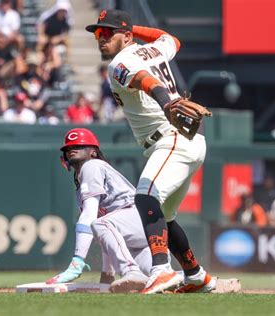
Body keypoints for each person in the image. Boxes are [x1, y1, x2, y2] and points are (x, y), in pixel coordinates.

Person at [85, 9, 215, 294]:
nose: (101, 38)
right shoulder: (154, 49)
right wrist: (131, 28)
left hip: (171, 139)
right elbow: (171, 40)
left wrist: (166, 103)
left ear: (127, 36)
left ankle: (161, 270)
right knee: (164, 217)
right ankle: (195, 274)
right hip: (191, 141)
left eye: (108, 32)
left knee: (144, 197)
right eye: (98, 33)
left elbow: (146, 79)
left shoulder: (120, 61)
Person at [46, 128, 152, 293]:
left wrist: (77, 262)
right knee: (157, 279)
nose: (72, 149)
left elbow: (91, 217)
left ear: (93, 152)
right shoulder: (82, 182)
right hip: (137, 230)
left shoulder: (92, 165)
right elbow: (107, 234)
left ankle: (131, 270)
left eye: (80, 146)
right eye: (68, 148)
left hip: (134, 215)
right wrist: (107, 275)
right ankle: (191, 277)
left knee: (99, 223)